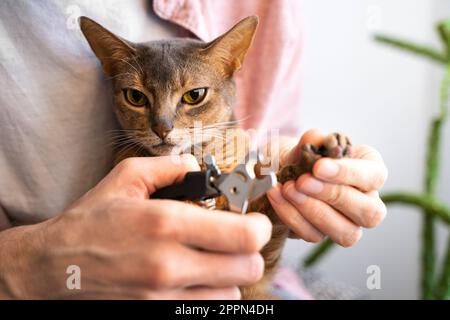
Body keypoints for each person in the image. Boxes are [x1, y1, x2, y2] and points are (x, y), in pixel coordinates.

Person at [0, 0, 387, 299]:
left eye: (194, 95)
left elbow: (256, 257)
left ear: (232, 65)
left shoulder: (275, 13)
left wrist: (292, 174)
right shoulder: (127, 168)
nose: (162, 127)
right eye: (137, 96)